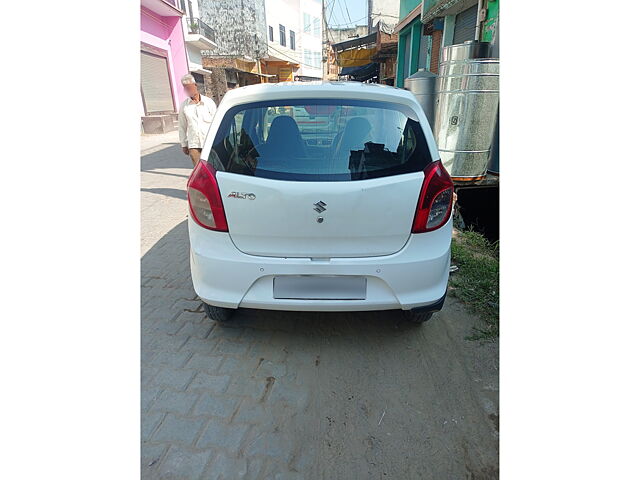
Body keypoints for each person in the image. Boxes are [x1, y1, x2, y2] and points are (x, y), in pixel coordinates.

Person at [178, 74, 217, 167]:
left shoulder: (209, 102)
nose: (189, 90)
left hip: (209, 143)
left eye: (190, 87)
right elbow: (182, 126)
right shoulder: (184, 106)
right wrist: (184, 144)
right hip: (194, 144)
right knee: (198, 170)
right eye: (186, 88)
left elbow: (217, 123)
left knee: (212, 167)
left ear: (195, 85)